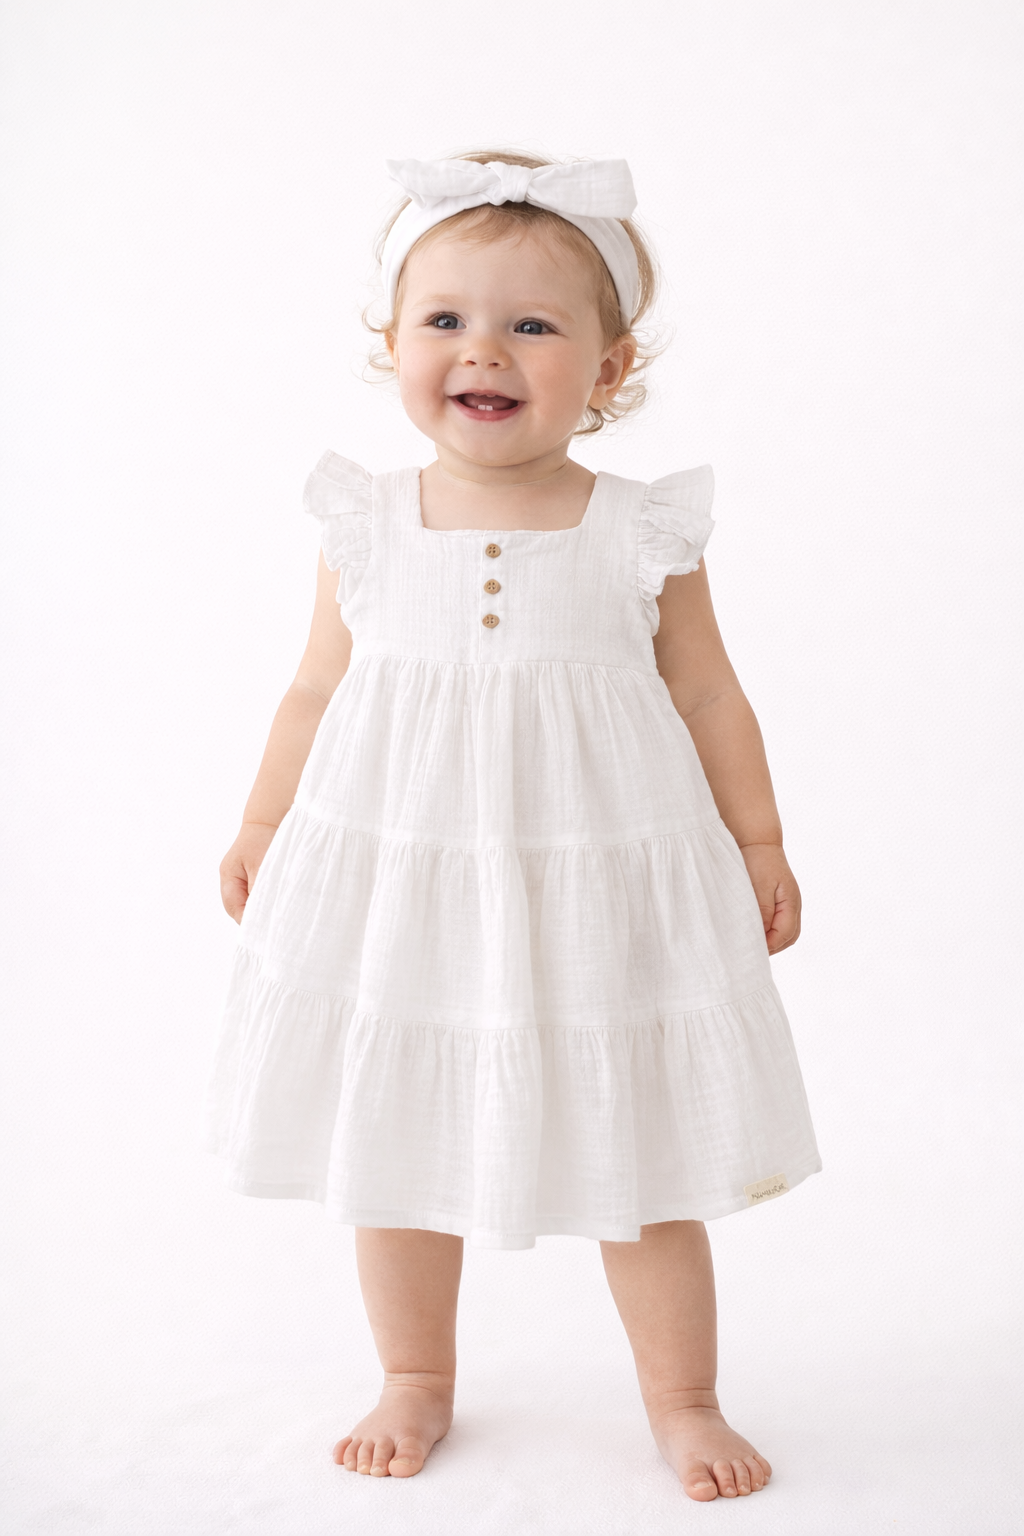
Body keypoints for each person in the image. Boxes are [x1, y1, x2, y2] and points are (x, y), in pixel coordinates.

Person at [208, 150, 821, 1502]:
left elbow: (708, 694)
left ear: (611, 367)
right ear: (393, 344)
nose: (483, 349)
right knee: (396, 1137)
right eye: (445, 319)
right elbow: (314, 689)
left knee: (642, 1146)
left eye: (533, 324)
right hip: (410, 883)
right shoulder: (366, 522)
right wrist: (263, 826)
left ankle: (685, 1397)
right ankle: (413, 1376)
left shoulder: (640, 530)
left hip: (597, 884)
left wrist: (760, 842)